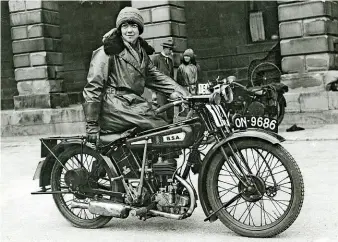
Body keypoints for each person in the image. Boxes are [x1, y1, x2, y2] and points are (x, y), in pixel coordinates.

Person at [82, 7, 189, 145]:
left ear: (140, 29)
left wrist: (184, 93)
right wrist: (92, 124)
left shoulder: (141, 53)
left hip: (131, 104)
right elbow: (93, 85)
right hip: (114, 106)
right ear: (120, 29)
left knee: (162, 126)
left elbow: (155, 76)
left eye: (134, 25)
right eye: (125, 26)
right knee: (159, 128)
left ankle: (154, 164)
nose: (129, 30)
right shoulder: (108, 51)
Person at [152, 40, 175, 123]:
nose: (171, 52)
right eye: (170, 49)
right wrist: (154, 92)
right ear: (165, 49)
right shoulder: (156, 59)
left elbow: (172, 77)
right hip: (160, 91)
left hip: (170, 91)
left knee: (170, 111)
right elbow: (152, 77)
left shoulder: (170, 61)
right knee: (161, 111)